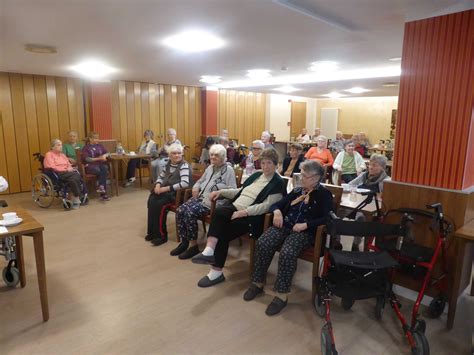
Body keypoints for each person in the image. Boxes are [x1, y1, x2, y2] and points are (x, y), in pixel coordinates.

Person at [244, 160, 333, 315]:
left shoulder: (324, 195)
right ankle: (257, 283)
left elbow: (327, 218)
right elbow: (277, 204)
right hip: (285, 226)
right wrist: (277, 212)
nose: (300, 177)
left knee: (287, 252)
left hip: (304, 232)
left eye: (304, 175)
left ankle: (281, 295)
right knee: (263, 242)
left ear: (315, 178)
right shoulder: (298, 191)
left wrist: (306, 225)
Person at [191, 148, 285, 288]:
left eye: (269, 163)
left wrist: (245, 212)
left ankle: (216, 270)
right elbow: (240, 191)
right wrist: (221, 191)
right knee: (219, 212)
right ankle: (209, 252)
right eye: (263, 163)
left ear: (276, 165)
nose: (265, 166)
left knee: (222, 230)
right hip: (235, 207)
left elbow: (266, 206)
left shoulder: (278, 183)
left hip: (252, 218)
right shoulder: (257, 175)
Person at [171, 144, 237, 259]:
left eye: (216, 155)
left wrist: (220, 192)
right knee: (180, 210)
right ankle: (184, 242)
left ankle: (193, 246)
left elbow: (233, 190)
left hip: (213, 202)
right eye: (211, 155)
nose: (212, 157)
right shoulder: (210, 167)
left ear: (222, 157)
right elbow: (201, 180)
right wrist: (196, 186)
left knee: (189, 213)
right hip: (200, 198)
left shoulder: (229, 170)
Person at [343, 154, 391, 251]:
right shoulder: (364, 175)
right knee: (337, 211)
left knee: (360, 217)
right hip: (356, 203)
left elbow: (385, 199)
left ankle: (356, 245)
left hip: (372, 208)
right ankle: (335, 242)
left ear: (382, 168)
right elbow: (350, 185)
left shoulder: (386, 180)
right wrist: (353, 189)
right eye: (370, 164)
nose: (371, 167)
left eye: (375, 165)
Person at [146, 143, 190, 246]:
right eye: (174, 153)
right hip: (167, 191)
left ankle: (161, 235)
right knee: (151, 200)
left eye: (179, 153)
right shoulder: (168, 164)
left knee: (159, 205)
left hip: (177, 195)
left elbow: (185, 183)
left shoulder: (184, 165)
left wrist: (165, 188)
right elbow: (161, 177)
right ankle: (152, 232)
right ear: (169, 155)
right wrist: (157, 185)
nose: (177, 155)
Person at [44, 139, 84, 209]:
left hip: (67, 173)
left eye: (61, 145)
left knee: (73, 178)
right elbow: (52, 167)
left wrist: (69, 168)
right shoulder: (49, 154)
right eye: (58, 145)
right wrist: (66, 169)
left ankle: (75, 197)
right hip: (57, 173)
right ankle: (76, 197)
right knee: (75, 175)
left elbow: (68, 164)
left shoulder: (62, 155)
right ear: (53, 147)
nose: (61, 146)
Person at [81, 132, 110, 201]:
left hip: (100, 164)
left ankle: (101, 188)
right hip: (90, 166)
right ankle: (103, 193)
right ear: (90, 139)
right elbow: (87, 159)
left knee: (104, 168)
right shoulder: (86, 148)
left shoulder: (100, 146)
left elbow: (107, 152)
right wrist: (98, 158)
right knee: (101, 170)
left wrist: (105, 156)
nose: (97, 140)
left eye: (98, 138)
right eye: (95, 138)